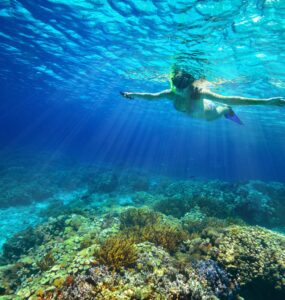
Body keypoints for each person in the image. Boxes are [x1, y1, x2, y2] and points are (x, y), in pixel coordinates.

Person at [120, 69, 284, 124]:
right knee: (196, 113)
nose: (182, 91)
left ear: (192, 85)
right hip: (191, 113)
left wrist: (267, 101)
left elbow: (231, 98)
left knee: (221, 110)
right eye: (178, 88)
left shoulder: (201, 92)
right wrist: (131, 94)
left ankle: (227, 111)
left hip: (209, 113)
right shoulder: (171, 93)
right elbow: (151, 96)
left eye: (185, 88)